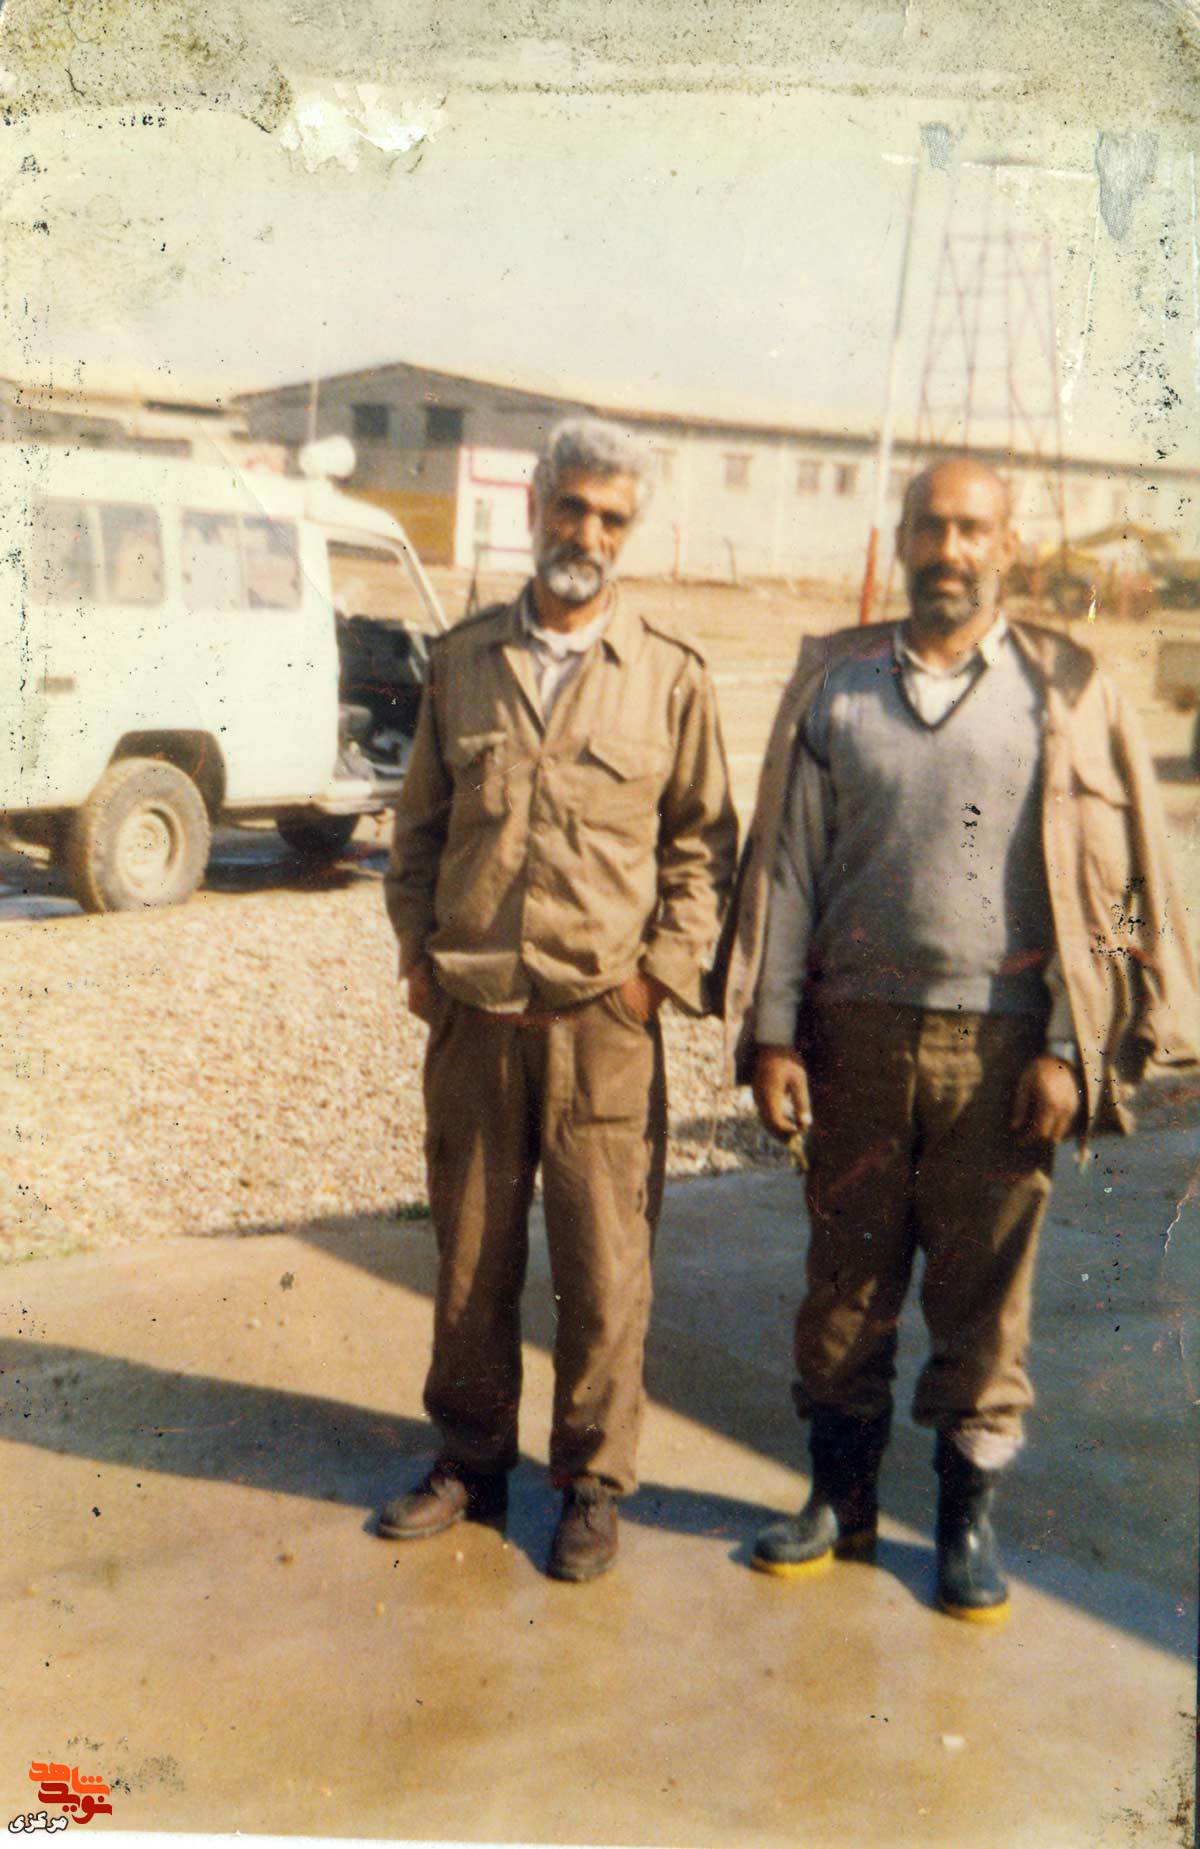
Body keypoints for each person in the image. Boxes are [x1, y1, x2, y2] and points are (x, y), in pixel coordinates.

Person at [722, 456, 1198, 1622]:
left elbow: (1113, 885)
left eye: (973, 528)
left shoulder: (1063, 689)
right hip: (855, 1037)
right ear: (901, 536)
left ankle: (963, 1523)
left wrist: (1073, 1046)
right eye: (931, 526)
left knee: (985, 1303)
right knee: (846, 1285)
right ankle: (839, 1500)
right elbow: (787, 872)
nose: (950, 548)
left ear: (1008, 545)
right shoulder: (836, 684)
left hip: (1006, 1050)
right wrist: (775, 1034)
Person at [380, 416, 738, 1581]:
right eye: (571, 506)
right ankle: (470, 1461)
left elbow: (703, 851)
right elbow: (416, 832)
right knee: (470, 1260)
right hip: (475, 1020)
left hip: (602, 1028)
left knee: (603, 1270)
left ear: (631, 532)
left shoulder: (670, 677)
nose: (586, 532)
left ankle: (590, 1482)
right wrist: (421, 959)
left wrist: (653, 982)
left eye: (610, 517)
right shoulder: (462, 661)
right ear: (535, 508)